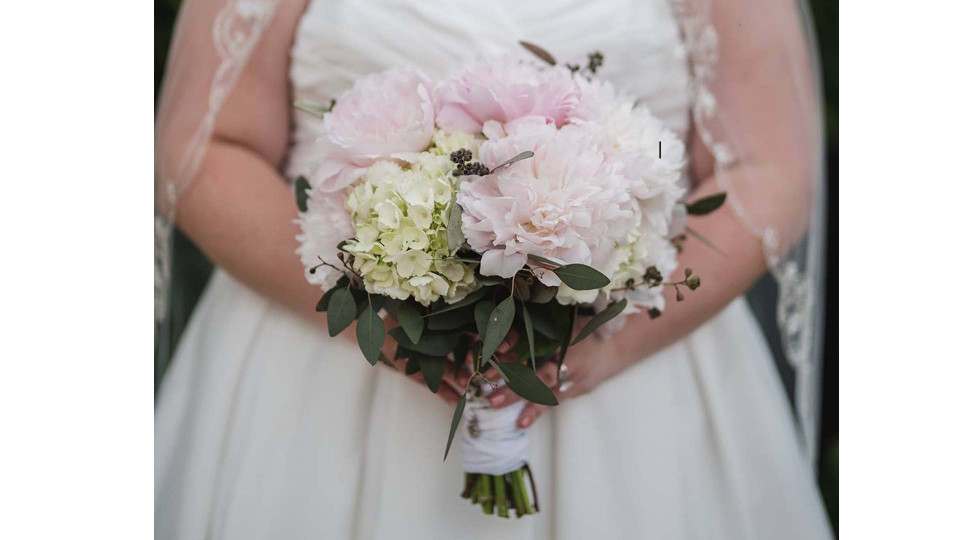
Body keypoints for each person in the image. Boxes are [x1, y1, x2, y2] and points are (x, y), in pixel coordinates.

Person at [155, 0, 832, 537]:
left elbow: (770, 170)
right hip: (318, 368)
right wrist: (377, 313)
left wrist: (604, 343)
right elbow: (203, 146)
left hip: (634, 381)